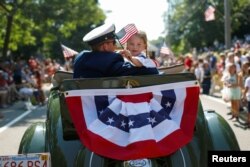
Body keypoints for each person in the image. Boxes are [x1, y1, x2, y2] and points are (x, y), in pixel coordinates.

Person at [73, 23, 159, 78]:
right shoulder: (112, 62)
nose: (115, 47)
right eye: (114, 42)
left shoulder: (79, 58)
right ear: (105, 46)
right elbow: (152, 71)